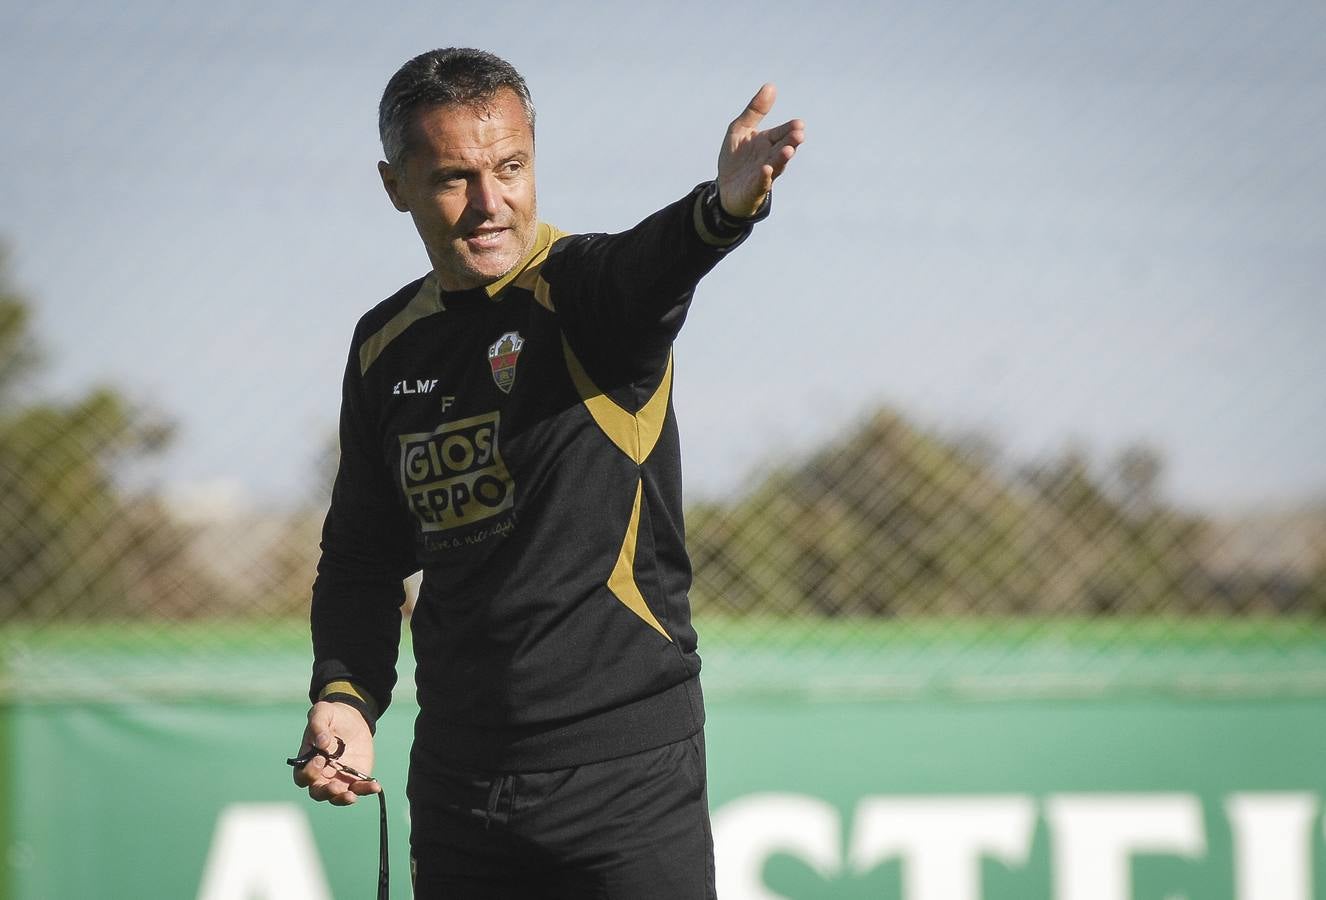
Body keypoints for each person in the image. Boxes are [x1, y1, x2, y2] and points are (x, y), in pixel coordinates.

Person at [291, 47, 803, 898]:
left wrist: (722, 210)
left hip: (626, 778)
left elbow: (654, 263)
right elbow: (362, 557)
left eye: (511, 167)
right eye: (454, 177)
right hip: (458, 785)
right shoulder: (383, 345)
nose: (490, 204)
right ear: (395, 185)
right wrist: (346, 694)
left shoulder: (586, 293)